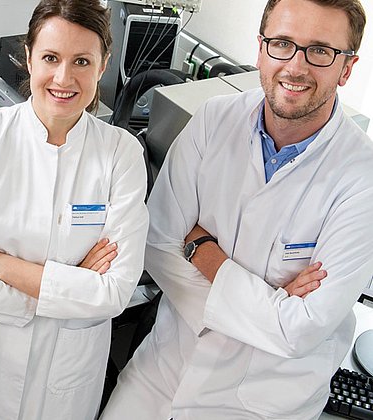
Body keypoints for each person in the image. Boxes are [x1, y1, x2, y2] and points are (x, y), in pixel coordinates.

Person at [101, 0, 373, 419]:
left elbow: (299, 330)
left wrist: (201, 249)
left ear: (347, 67)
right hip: (164, 371)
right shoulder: (214, 120)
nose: (296, 67)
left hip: (265, 401)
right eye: (282, 43)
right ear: (261, 49)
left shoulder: (363, 177)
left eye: (320, 51)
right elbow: (157, 244)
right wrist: (272, 303)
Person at [0, 0, 149, 419]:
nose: (63, 77)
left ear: (103, 64)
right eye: (50, 58)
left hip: (61, 379)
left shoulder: (121, 154)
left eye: (82, 61)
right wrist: (68, 288)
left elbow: (113, 293)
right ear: (29, 58)